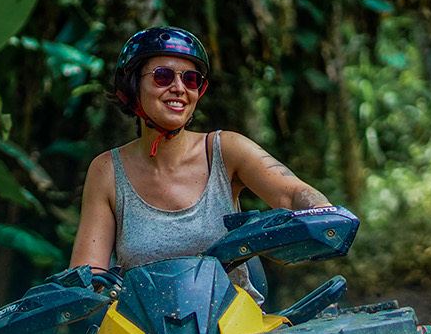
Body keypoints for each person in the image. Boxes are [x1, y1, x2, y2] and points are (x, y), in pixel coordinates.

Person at [70, 28, 331, 293]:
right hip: (141, 320)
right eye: (163, 76)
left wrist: (323, 212)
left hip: (235, 317)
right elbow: (88, 276)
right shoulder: (107, 171)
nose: (179, 88)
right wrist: (83, 292)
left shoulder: (226, 150)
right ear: (133, 86)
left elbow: (292, 194)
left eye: (191, 79)